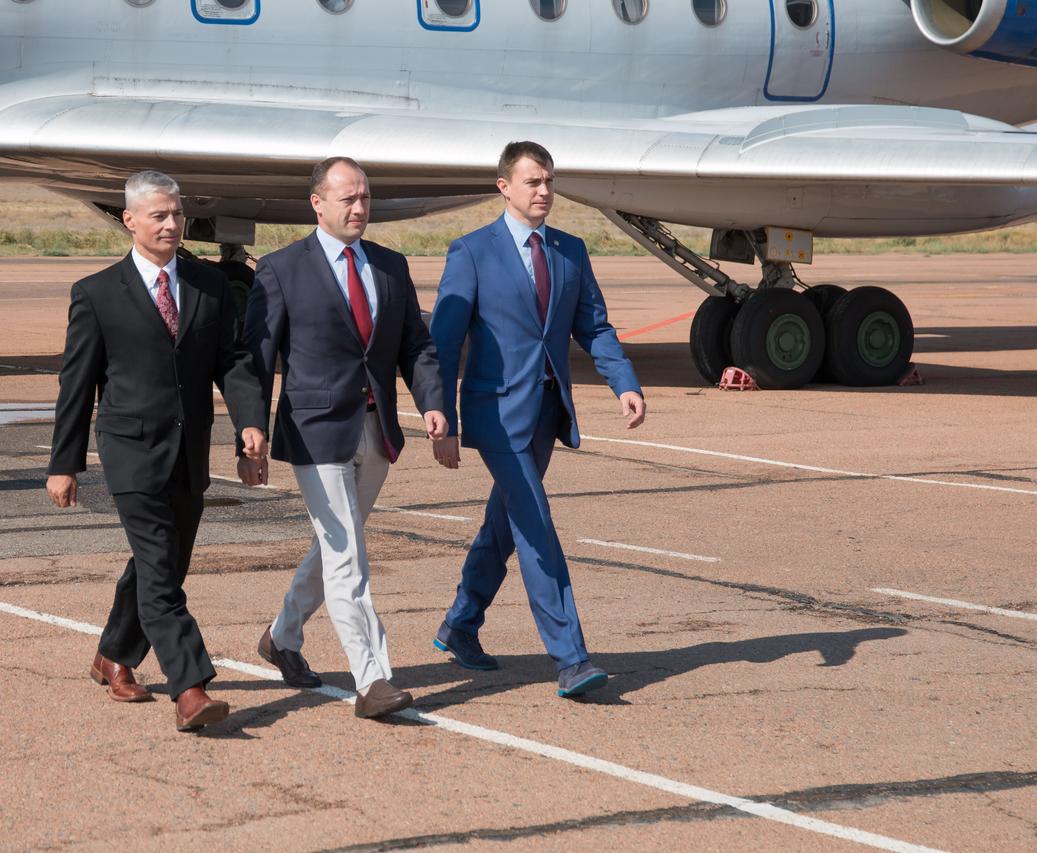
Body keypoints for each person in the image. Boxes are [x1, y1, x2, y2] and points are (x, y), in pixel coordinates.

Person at [45, 171, 267, 732]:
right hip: (129, 450)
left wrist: (249, 423)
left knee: (162, 563)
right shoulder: (96, 293)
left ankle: (113, 655)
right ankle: (190, 688)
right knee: (161, 571)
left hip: (188, 451)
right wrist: (64, 464)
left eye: (177, 214)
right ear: (130, 221)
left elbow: (233, 361)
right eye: (159, 215)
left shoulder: (210, 285)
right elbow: (76, 384)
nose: (171, 224)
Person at [429, 141, 647, 698]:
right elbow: (445, 343)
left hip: (547, 411)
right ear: (504, 187)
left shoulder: (570, 250)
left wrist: (624, 384)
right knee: (535, 523)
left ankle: (460, 623)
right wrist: (444, 418)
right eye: (532, 181)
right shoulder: (471, 251)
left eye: (549, 180)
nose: (544, 190)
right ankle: (571, 659)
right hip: (495, 413)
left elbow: (593, 327)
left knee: (505, 522)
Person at [242, 157, 447, 719]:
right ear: (317, 204)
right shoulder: (281, 269)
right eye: (348, 198)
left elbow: (415, 345)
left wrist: (432, 403)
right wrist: (249, 432)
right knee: (348, 556)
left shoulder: (390, 265)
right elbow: (257, 358)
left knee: (338, 544)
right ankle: (372, 678)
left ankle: (282, 635)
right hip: (315, 432)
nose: (359, 208)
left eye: (365, 198)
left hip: (376, 430)